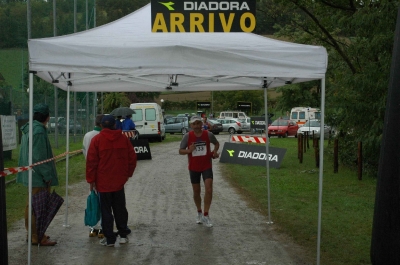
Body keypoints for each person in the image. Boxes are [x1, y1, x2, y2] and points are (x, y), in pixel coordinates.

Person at [86, 115, 137, 247]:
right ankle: (123, 235)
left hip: (103, 182)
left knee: (106, 211)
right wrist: (127, 175)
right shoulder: (123, 139)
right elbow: (132, 158)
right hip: (119, 181)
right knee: (120, 208)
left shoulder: (96, 140)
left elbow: (91, 162)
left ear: (102, 126)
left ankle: (109, 238)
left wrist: (91, 180)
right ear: (115, 125)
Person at [17, 103, 58, 246]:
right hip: (38, 176)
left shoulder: (30, 129)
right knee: (37, 207)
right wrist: (47, 176)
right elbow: (39, 158)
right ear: (47, 117)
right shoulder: (38, 132)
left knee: (31, 205)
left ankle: (33, 233)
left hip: (31, 174)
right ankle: (37, 236)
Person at [179, 116, 220, 228]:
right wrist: (189, 150)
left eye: (198, 123)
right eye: (194, 124)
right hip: (194, 167)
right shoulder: (187, 136)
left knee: (209, 189)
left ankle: (206, 215)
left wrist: (214, 152)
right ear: (191, 125)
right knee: (196, 192)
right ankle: (199, 212)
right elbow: (180, 151)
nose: (196, 126)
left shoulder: (208, 134)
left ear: (202, 124)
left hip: (206, 166)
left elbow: (216, 143)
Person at [82, 114, 104, 238]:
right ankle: (102, 226)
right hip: (102, 172)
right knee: (104, 200)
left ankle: (92, 227)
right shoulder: (102, 136)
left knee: (92, 199)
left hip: (91, 170)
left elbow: (84, 151)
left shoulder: (87, 135)